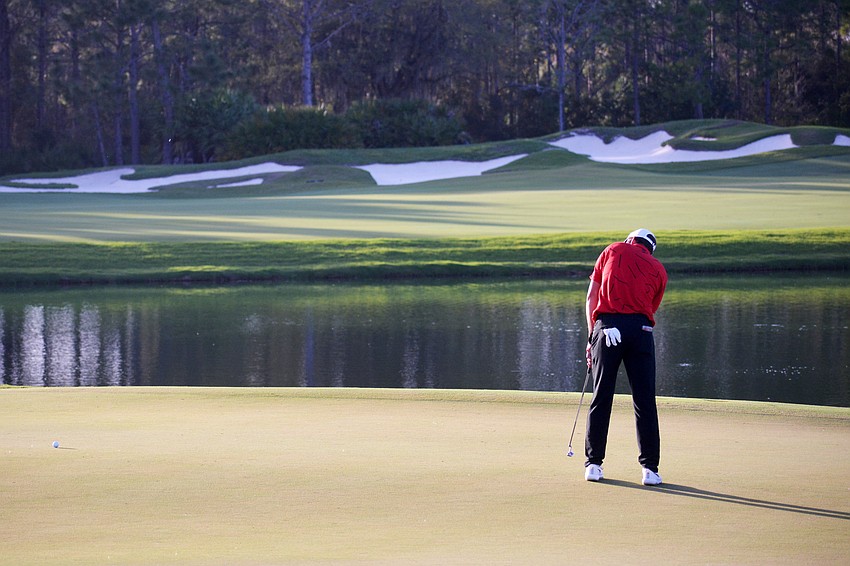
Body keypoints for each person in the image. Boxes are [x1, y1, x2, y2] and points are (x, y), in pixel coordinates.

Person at [583, 228, 668, 486]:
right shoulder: (659, 269)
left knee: (602, 395)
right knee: (644, 401)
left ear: (630, 240)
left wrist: (591, 338)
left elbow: (591, 297)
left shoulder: (613, 249)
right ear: (651, 248)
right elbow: (649, 309)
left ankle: (594, 465)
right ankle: (650, 471)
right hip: (641, 332)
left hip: (608, 328)